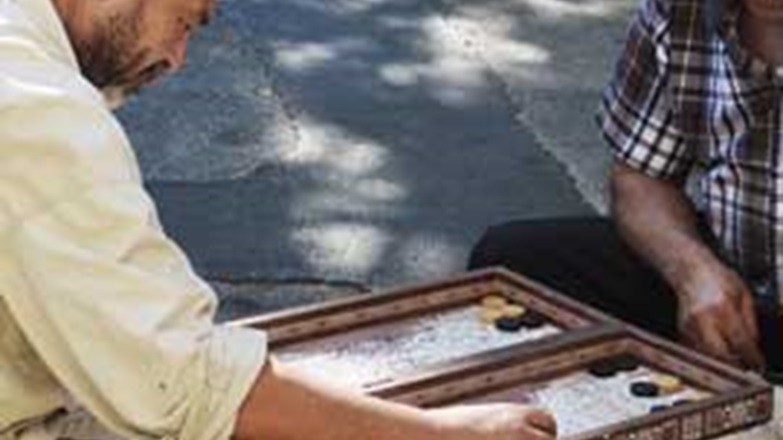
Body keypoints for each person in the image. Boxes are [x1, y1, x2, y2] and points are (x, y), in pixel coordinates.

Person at [0, 1, 558, 440]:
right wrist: (438, 434)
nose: (176, 57)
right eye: (186, 20)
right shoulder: (39, 110)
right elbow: (184, 389)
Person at [470, 0, 783, 379]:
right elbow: (640, 177)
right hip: (740, 287)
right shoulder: (680, 10)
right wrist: (693, 272)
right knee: (512, 263)